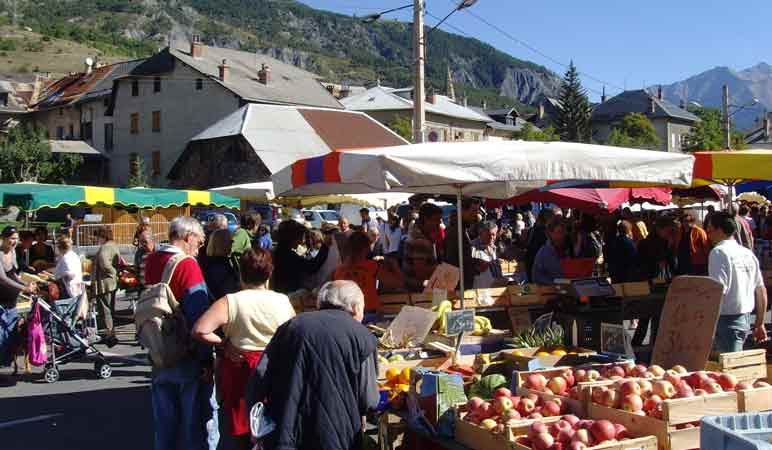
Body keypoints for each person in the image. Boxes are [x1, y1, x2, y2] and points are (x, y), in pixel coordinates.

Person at [246, 280, 379, 450]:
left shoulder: (291, 326)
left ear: (320, 303)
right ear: (355, 307)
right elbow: (369, 400)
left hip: (286, 430)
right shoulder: (363, 336)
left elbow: (259, 375)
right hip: (338, 436)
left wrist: (257, 424)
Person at [192, 248, 295, 448]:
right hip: (273, 368)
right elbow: (292, 334)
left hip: (241, 368)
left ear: (241, 272)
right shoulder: (282, 300)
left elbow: (200, 330)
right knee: (273, 422)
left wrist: (224, 343)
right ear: (269, 273)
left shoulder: (231, 301)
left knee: (243, 427)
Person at [144, 216, 218, 450]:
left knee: (164, 425)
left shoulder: (152, 260)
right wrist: (206, 359)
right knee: (194, 425)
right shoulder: (187, 264)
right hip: (186, 353)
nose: (200, 246)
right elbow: (198, 314)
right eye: (200, 241)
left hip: (158, 349)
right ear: (189, 237)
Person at [706, 212, 768, 353]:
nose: (708, 234)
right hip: (744, 320)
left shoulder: (718, 253)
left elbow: (718, 290)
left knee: (728, 370)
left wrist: (707, 322)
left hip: (725, 320)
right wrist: (760, 323)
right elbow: (761, 290)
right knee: (732, 366)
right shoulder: (747, 253)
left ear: (719, 230)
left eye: (709, 229)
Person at [271, 220, 329, 294]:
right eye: (300, 237)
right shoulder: (288, 256)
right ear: (292, 237)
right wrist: (325, 247)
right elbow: (311, 267)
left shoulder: (277, 251)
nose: (302, 241)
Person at [333, 231, 379, 316]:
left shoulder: (339, 270)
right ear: (366, 248)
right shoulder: (372, 266)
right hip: (368, 310)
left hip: (346, 314)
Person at [445, 198, 484, 290]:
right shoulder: (456, 231)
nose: (476, 214)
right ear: (462, 211)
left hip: (461, 283)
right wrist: (476, 266)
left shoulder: (461, 229)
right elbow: (454, 262)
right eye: (473, 210)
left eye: (477, 210)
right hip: (457, 285)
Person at [91, 227, 121, 345]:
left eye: (98, 236)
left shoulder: (105, 247)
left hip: (104, 282)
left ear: (103, 236)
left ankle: (110, 334)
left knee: (105, 309)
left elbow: (104, 262)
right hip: (111, 282)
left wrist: (111, 272)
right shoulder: (113, 245)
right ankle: (111, 333)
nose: (97, 239)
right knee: (110, 308)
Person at [402, 203, 443, 291]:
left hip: (413, 288)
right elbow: (421, 272)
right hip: (416, 291)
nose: (439, 223)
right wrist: (441, 269)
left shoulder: (417, 233)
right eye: (436, 219)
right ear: (425, 219)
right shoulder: (420, 241)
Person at [0, 227, 37, 309]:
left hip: (12, 303)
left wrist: (26, 283)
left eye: (17, 239)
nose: (15, 241)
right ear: (3, 238)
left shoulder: (12, 251)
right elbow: (3, 279)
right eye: (12, 238)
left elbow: (13, 274)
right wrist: (24, 288)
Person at [532, 217, 572, 285]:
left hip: (568, 290)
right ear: (550, 233)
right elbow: (536, 277)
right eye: (559, 232)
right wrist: (563, 282)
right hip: (551, 292)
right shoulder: (544, 252)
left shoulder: (568, 249)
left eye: (564, 232)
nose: (562, 236)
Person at [203, 229, 240, 300]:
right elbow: (228, 291)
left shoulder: (211, 261)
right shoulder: (218, 266)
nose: (232, 244)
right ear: (222, 244)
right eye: (231, 241)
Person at [525, 208, 556, 282]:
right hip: (539, 265)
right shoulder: (544, 232)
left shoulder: (532, 229)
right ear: (548, 219)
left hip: (530, 262)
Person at [471, 221, 503, 289]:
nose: (491, 237)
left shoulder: (493, 246)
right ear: (481, 234)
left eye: (493, 235)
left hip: (496, 286)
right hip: (481, 288)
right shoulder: (473, 247)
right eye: (488, 235)